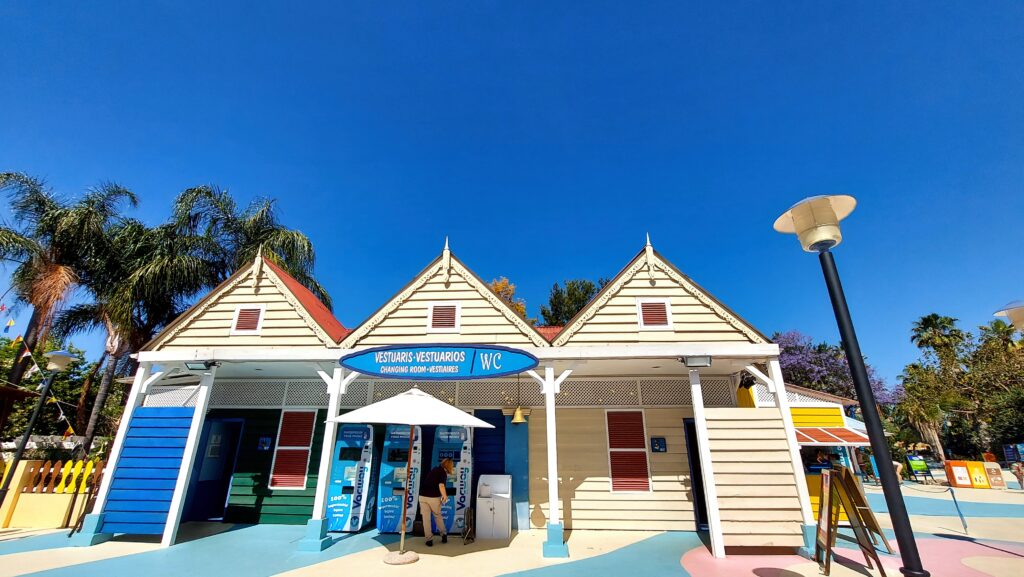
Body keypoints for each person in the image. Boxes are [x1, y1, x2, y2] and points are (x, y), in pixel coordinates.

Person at [419, 458, 454, 547]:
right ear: (449, 466)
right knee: (437, 516)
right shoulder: (442, 472)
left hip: (423, 496)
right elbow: (441, 485)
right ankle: (443, 535)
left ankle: (429, 540)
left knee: (426, 519)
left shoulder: (435, 469)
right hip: (433, 497)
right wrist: (445, 496)